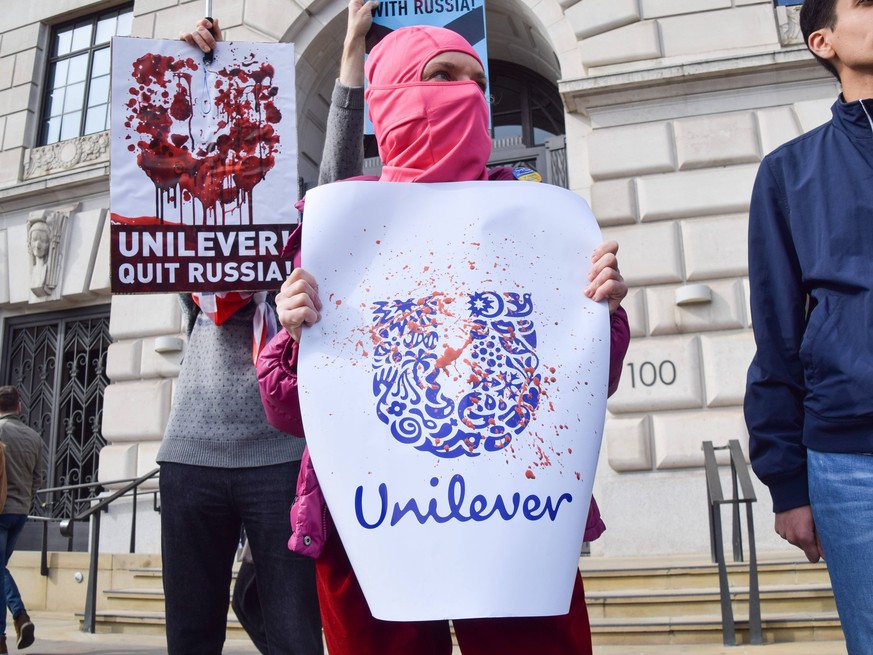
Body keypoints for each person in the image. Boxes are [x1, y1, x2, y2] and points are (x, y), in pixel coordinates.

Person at [257, 22, 630, 655]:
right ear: (391, 94)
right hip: (369, 519)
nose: (468, 94)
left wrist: (602, 311)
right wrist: (293, 334)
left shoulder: (536, 217)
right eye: (444, 77)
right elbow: (288, 411)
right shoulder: (331, 226)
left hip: (515, 516)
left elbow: (583, 385)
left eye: (478, 82)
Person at [153, 19, 323, 655]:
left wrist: (351, 61)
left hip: (277, 459)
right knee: (190, 639)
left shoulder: (298, 219)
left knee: (294, 637)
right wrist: (182, 69)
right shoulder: (188, 216)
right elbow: (154, 174)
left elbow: (334, 166)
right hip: (190, 456)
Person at [744, 1, 873, 653]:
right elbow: (775, 335)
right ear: (822, 41)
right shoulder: (788, 173)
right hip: (851, 458)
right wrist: (786, 481)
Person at [0, 387, 43, 653]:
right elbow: (37, 479)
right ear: (18, 407)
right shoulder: (33, 437)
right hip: (20, 512)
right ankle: (9, 630)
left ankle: (17, 618)